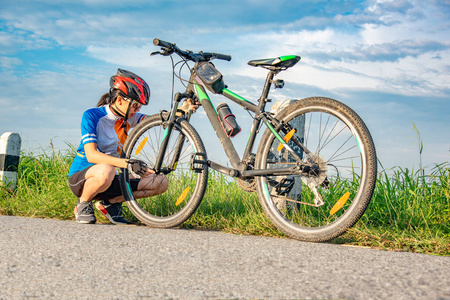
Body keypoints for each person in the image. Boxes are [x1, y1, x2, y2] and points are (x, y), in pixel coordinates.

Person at [68, 69, 176, 225]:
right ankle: (83, 204)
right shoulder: (92, 115)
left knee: (160, 181)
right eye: (135, 106)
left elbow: (160, 120)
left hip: (109, 179)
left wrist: (183, 109)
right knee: (107, 169)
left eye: (139, 107)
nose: (137, 110)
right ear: (119, 100)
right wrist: (129, 164)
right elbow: (92, 155)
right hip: (83, 178)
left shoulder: (129, 119)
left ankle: (110, 203)